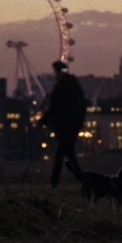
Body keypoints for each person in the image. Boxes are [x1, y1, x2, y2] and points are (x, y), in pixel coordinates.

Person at [41, 59, 86, 188]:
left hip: (65, 127)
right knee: (67, 156)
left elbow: (56, 106)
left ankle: (55, 183)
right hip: (70, 127)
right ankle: (82, 181)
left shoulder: (62, 86)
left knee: (61, 155)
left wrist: (45, 120)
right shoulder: (72, 85)